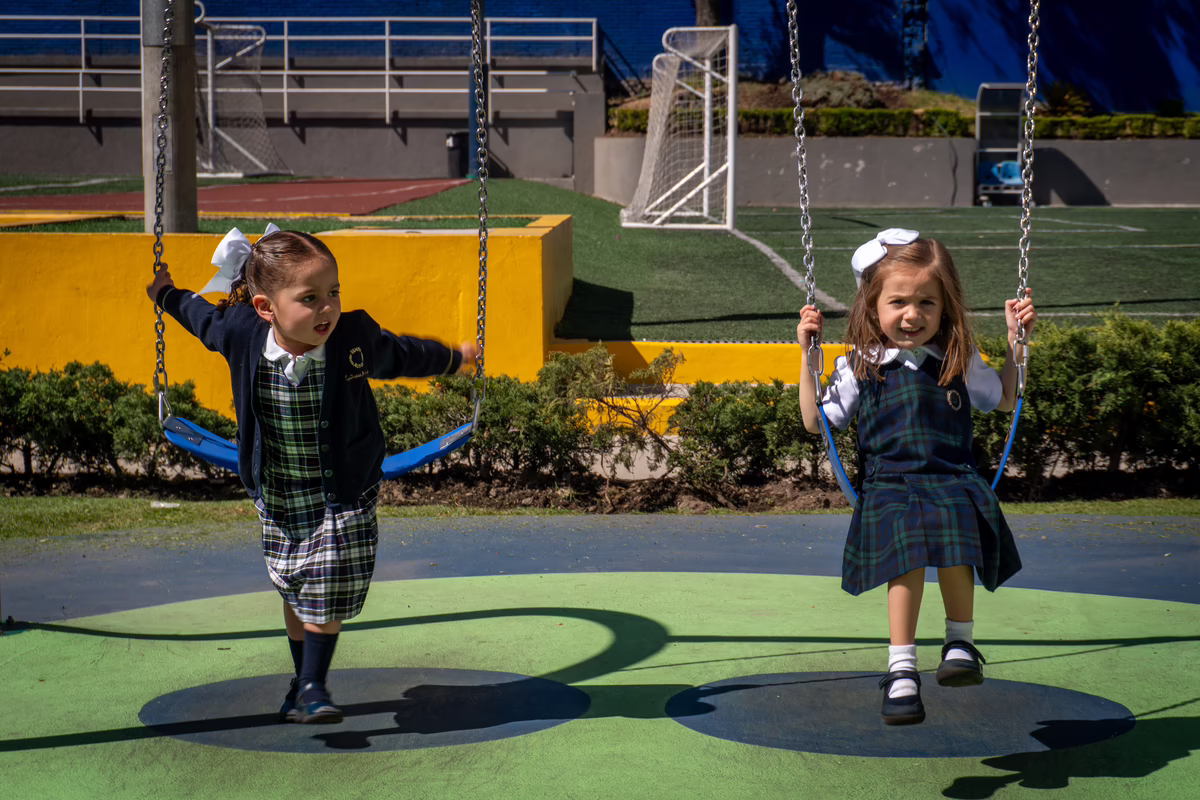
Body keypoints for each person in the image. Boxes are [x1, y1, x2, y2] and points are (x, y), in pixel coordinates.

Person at [147, 224, 477, 725]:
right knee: (296, 584)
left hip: (345, 483)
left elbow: (401, 354)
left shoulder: (352, 338)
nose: (328, 308)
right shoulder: (239, 331)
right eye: (310, 298)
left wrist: (454, 359)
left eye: (333, 293)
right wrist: (165, 293)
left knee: (329, 573)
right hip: (279, 487)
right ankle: (301, 683)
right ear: (265, 308)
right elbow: (197, 316)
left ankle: (314, 685)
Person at [796, 228, 1037, 726]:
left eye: (927, 302)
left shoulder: (958, 360)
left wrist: (1018, 345)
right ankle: (902, 669)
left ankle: (960, 647)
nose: (913, 315)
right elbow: (817, 421)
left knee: (957, 545)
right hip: (890, 485)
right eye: (899, 301)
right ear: (872, 307)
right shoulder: (859, 366)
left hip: (951, 477)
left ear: (945, 306)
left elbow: (1006, 400)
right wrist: (808, 357)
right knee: (904, 558)